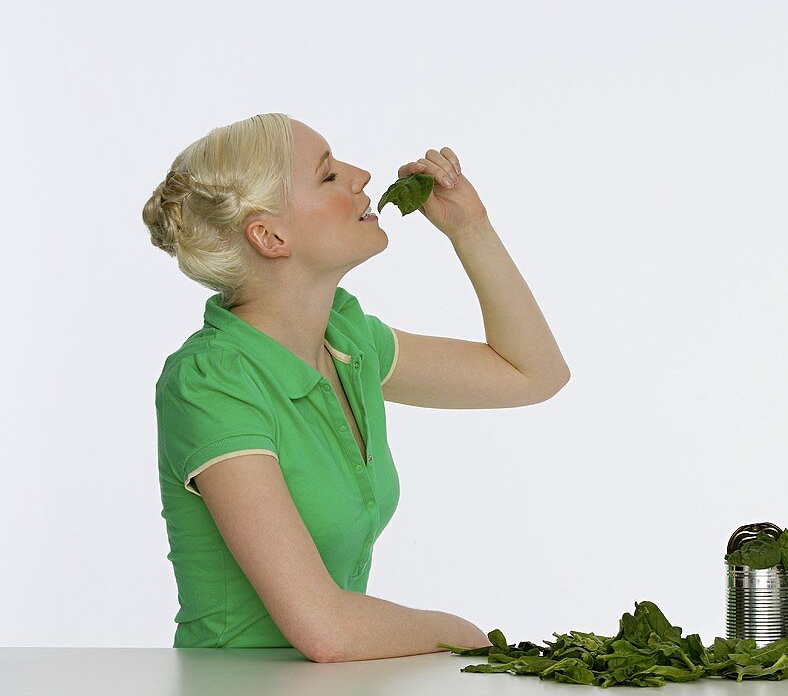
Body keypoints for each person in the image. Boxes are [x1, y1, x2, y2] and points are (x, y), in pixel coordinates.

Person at [142, 113, 570, 660]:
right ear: (270, 236)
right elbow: (325, 627)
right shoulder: (212, 384)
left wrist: (471, 228)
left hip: (331, 694)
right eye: (327, 175)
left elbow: (533, 374)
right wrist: (467, 637)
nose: (362, 175)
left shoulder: (346, 341)